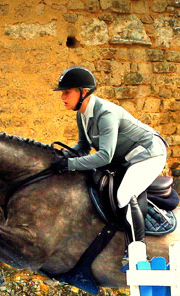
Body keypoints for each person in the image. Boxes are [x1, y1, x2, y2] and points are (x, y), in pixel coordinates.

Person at [50, 66, 168, 264]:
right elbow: (83, 146)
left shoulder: (106, 114)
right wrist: (58, 157)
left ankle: (136, 252)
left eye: (67, 92)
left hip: (149, 153)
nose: (63, 97)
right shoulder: (82, 113)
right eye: (63, 92)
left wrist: (70, 164)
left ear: (83, 92)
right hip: (126, 158)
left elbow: (105, 156)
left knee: (124, 195)